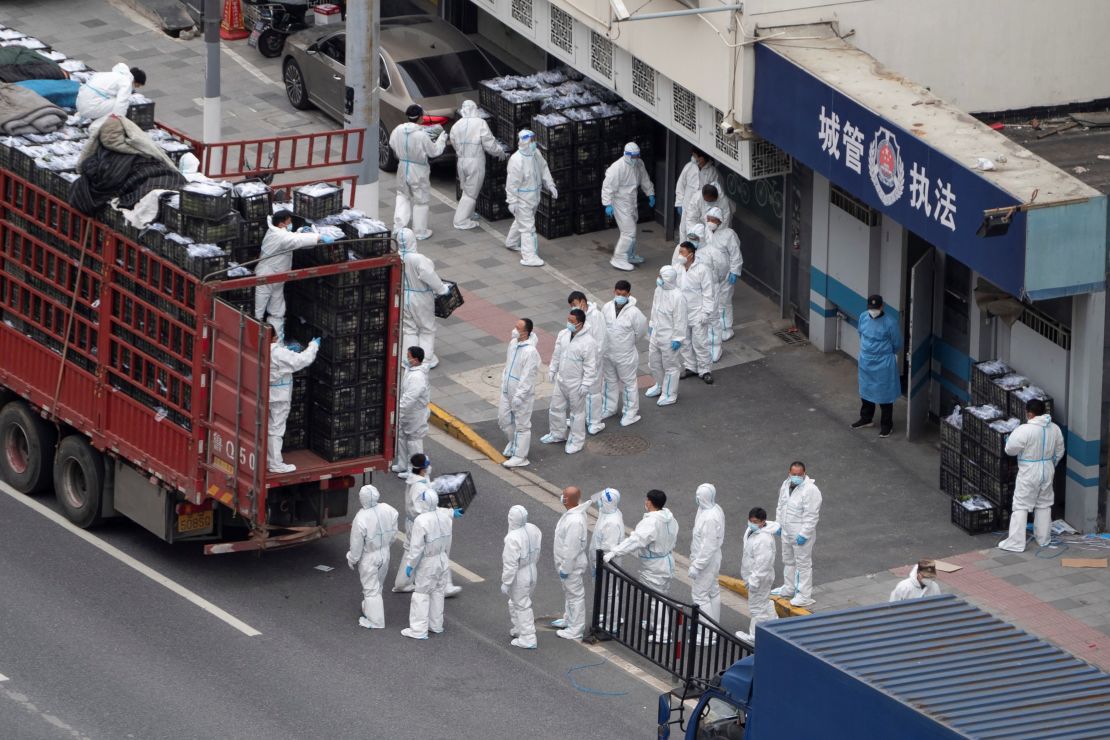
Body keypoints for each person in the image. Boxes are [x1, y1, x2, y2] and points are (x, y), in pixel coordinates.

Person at [605, 490, 679, 642]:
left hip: (655, 565)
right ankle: (654, 625)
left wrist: (615, 552)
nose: (645, 502)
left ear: (650, 502)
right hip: (666, 561)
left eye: (647, 500)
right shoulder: (670, 519)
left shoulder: (651, 522)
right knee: (660, 596)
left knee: (657, 600)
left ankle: (662, 634)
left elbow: (636, 540)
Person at [998, 399, 1065, 552]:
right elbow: (1060, 450)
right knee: (1044, 504)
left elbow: (1010, 450)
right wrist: (1050, 464)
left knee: (1021, 505)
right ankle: (1044, 539)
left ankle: (1016, 543)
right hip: (1047, 468)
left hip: (1029, 470)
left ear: (1029, 413)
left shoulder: (1024, 430)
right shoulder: (1054, 428)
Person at [255, 210, 333, 340]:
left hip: (278, 275)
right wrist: (318, 237)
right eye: (289, 222)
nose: (291, 224)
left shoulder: (278, 232)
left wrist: (300, 232)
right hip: (267, 276)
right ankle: (257, 339)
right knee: (259, 311)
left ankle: (277, 342)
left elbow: (291, 238)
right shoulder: (278, 236)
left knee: (278, 310)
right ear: (281, 224)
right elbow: (294, 240)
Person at [400, 489, 463, 640]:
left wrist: (411, 564)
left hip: (428, 562)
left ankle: (418, 630)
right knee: (437, 592)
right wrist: (452, 512)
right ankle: (435, 625)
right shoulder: (445, 517)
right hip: (442, 559)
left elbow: (417, 547)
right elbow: (447, 532)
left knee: (421, 594)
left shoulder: (421, 521)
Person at [540, 308, 599, 455]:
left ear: (580, 323)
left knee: (576, 414)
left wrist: (586, 384)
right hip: (561, 380)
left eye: (572, 322)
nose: (569, 323)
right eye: (569, 320)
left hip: (576, 384)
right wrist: (553, 369)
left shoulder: (588, 343)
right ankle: (557, 434)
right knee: (555, 408)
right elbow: (557, 354)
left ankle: (576, 441)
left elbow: (591, 366)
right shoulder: (563, 334)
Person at [389, 104, 448, 239]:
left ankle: (399, 228)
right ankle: (420, 232)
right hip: (418, 169)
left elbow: (392, 143)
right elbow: (434, 152)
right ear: (421, 117)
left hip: (403, 167)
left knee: (402, 195)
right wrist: (441, 140)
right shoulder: (421, 135)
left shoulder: (398, 129)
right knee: (420, 200)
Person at [396, 227, 451, 369]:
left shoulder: (396, 257)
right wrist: (442, 289)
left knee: (409, 328)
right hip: (421, 296)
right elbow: (429, 276)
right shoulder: (418, 259)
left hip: (404, 296)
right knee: (427, 328)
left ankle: (407, 358)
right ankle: (425, 359)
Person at [346, 484, 399, 629]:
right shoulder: (388, 509)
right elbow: (394, 531)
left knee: (370, 589)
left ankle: (376, 621)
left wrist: (352, 558)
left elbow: (356, 543)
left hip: (369, 556)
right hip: (385, 552)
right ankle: (370, 609)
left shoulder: (361, 517)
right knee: (378, 584)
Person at [851, 294, 903, 438]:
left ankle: (887, 425)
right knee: (866, 390)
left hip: (883, 364)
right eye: (871, 308)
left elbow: (897, 343)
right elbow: (861, 333)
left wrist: (883, 353)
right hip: (866, 361)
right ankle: (866, 418)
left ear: (882, 306)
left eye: (876, 308)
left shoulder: (890, 323)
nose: (873, 310)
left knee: (885, 395)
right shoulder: (863, 317)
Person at [505, 129, 558, 267]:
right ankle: (529, 256)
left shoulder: (535, 154)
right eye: (531, 140)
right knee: (528, 228)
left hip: (534, 196)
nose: (534, 143)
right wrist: (512, 201)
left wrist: (550, 185)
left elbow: (543, 168)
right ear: (525, 142)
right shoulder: (516, 160)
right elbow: (511, 183)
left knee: (522, 221)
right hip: (522, 199)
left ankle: (511, 242)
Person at [449, 99, 506, 230]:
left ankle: (468, 214)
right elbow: (489, 144)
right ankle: (461, 221)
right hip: (475, 161)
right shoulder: (480, 123)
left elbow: (453, 142)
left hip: (462, 161)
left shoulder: (456, 125)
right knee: (471, 193)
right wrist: (500, 152)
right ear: (475, 109)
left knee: (466, 189)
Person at [772, 461, 822, 608]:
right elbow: (781, 506)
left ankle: (804, 595)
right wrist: (778, 524)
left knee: (803, 564)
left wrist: (804, 534)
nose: (796, 477)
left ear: (804, 473)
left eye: (799, 474)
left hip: (800, 534)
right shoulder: (786, 485)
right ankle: (789, 588)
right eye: (794, 474)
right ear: (789, 473)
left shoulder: (810, 490)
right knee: (788, 560)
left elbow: (812, 515)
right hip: (787, 531)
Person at [267, 337, 319, 473]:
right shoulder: (277, 353)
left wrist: (286, 351)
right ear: (274, 337)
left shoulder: (260, 349)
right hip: (279, 397)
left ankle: (265, 460)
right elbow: (303, 360)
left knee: (264, 429)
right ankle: (275, 464)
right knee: (276, 429)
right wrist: (313, 345)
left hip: (266, 394)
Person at [601, 142, 655, 271]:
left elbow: (645, 179)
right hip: (619, 202)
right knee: (628, 231)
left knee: (632, 230)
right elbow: (607, 187)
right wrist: (607, 204)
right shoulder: (617, 168)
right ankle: (618, 258)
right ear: (627, 155)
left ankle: (629, 255)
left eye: (637, 156)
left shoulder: (639, 164)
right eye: (634, 156)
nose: (636, 159)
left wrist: (650, 193)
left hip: (631, 200)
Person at [600, 281, 648, 427]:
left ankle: (630, 412)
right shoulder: (606, 307)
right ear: (614, 291)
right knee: (609, 381)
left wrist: (627, 343)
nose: (620, 296)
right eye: (618, 293)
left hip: (625, 355)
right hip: (608, 354)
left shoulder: (634, 313)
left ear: (629, 294)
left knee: (629, 384)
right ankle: (609, 408)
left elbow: (641, 331)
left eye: (623, 294)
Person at [499, 318, 541, 468]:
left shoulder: (530, 352)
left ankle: (520, 456)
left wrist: (520, 395)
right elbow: (508, 365)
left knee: (522, 425)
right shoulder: (513, 344)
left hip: (521, 395)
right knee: (504, 420)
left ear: (525, 332)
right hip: (507, 390)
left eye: (517, 328)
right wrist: (504, 384)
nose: (514, 330)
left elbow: (527, 377)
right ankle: (513, 443)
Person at [675, 241, 717, 385]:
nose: (679, 255)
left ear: (691, 255)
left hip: (697, 312)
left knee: (700, 342)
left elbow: (708, 293)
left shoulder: (702, 270)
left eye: (682, 252)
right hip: (682, 313)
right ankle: (690, 366)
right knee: (685, 342)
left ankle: (705, 370)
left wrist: (706, 313)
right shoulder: (677, 268)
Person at [552, 486, 591, 640]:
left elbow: (571, 548)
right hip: (569, 565)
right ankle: (569, 619)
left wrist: (566, 568)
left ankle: (575, 629)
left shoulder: (574, 521)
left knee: (575, 596)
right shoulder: (574, 515)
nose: (561, 497)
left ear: (566, 499)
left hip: (571, 566)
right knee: (570, 594)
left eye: (563, 495)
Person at [735, 507, 779, 643]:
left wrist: (753, 581)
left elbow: (763, 564)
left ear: (763, 522)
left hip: (759, 579)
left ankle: (755, 638)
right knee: (764, 603)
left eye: (755, 521)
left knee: (757, 609)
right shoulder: (753, 531)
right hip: (755, 576)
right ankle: (774, 625)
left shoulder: (764, 540)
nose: (752, 523)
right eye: (750, 520)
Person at [645, 265, 687, 407]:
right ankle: (660, 385)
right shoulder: (659, 290)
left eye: (661, 277)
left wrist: (678, 338)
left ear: (668, 279)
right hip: (657, 333)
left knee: (671, 366)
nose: (658, 279)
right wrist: (651, 324)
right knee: (654, 362)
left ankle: (669, 394)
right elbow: (654, 308)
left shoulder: (678, 297)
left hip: (669, 337)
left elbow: (680, 319)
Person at [502, 504, 542, 649]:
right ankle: (520, 629)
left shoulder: (512, 537)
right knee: (517, 602)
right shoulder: (533, 528)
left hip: (520, 574)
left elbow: (510, 563)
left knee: (522, 605)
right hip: (532, 569)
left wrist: (506, 582)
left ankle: (528, 637)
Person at [567, 291, 607, 435]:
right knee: (581, 391)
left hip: (593, 360)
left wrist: (594, 362)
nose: (573, 308)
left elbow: (601, 340)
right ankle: (582, 417)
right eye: (571, 306)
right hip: (580, 361)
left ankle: (595, 422)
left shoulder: (596, 316)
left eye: (574, 304)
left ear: (583, 302)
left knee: (594, 392)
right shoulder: (578, 316)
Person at [688, 483, 726, 636]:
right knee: (712, 592)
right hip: (711, 559)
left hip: (706, 561)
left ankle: (706, 635)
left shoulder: (710, 518)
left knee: (700, 595)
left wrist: (697, 565)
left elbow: (708, 546)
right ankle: (712, 627)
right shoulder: (712, 509)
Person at [703, 206, 743, 349]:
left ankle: (726, 328)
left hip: (725, 275)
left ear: (720, 221)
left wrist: (734, 271)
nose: (711, 222)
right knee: (711, 302)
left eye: (714, 220)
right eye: (709, 219)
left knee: (724, 302)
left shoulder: (728, 235)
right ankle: (714, 327)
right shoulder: (705, 232)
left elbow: (735, 254)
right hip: (709, 275)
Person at [391, 347, 430, 476]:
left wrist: (398, 410)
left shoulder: (417, 377)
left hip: (414, 414)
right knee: (402, 437)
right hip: (408, 413)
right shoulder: (411, 370)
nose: (407, 358)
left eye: (409, 356)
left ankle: (414, 469)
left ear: (416, 359)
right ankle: (403, 464)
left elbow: (410, 398)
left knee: (413, 441)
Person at [590, 488, 625, 628]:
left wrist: (598, 564)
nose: (598, 501)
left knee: (610, 593)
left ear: (606, 502)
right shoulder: (608, 512)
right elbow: (593, 497)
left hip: (607, 563)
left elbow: (607, 548)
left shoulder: (612, 522)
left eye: (601, 499)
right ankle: (608, 615)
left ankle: (613, 623)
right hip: (601, 561)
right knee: (604, 591)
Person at [76, 63, 145, 133]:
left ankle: (90, 117)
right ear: (135, 80)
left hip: (79, 104)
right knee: (124, 103)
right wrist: (118, 123)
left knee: (110, 99)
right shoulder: (126, 82)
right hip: (89, 108)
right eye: (137, 85)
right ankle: (95, 128)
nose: (136, 88)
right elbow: (121, 103)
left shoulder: (106, 74)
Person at [675, 148, 720, 236]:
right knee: (684, 230)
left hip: (704, 209)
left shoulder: (712, 171)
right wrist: (679, 202)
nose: (696, 159)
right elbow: (680, 185)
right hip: (687, 206)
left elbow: (715, 191)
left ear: (704, 157)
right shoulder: (689, 167)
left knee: (701, 232)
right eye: (694, 156)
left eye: (698, 157)